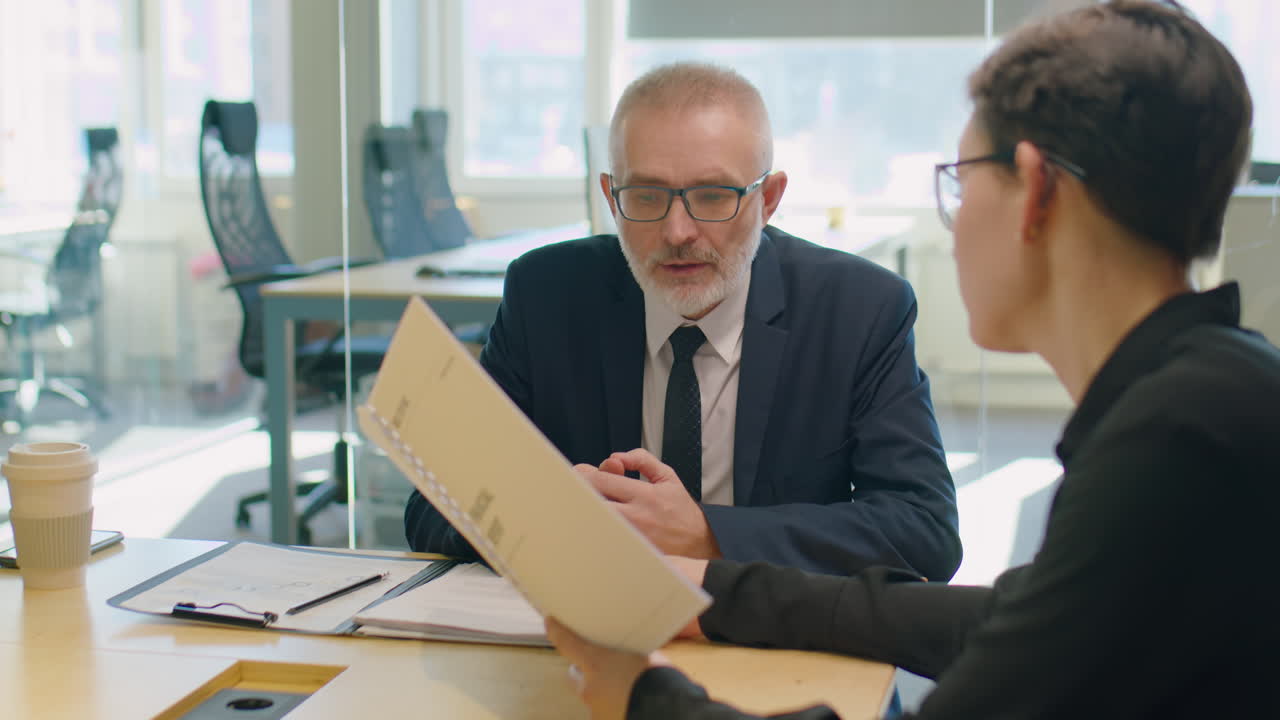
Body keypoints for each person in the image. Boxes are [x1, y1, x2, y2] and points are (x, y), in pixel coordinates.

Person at [544, 1, 1280, 718]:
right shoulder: (1213, 398)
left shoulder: (1174, 441)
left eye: (960, 183)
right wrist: (715, 594)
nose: (954, 230)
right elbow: (1003, 618)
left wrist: (645, 698)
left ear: (1036, 192)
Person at [405, 62, 962, 580]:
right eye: (646, 196)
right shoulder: (546, 295)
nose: (677, 232)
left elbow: (924, 532)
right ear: (610, 195)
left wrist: (707, 535)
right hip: (592, 635)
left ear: (768, 199)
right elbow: (431, 505)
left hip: (781, 638)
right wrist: (554, 517)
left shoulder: (858, 309)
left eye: (713, 196)